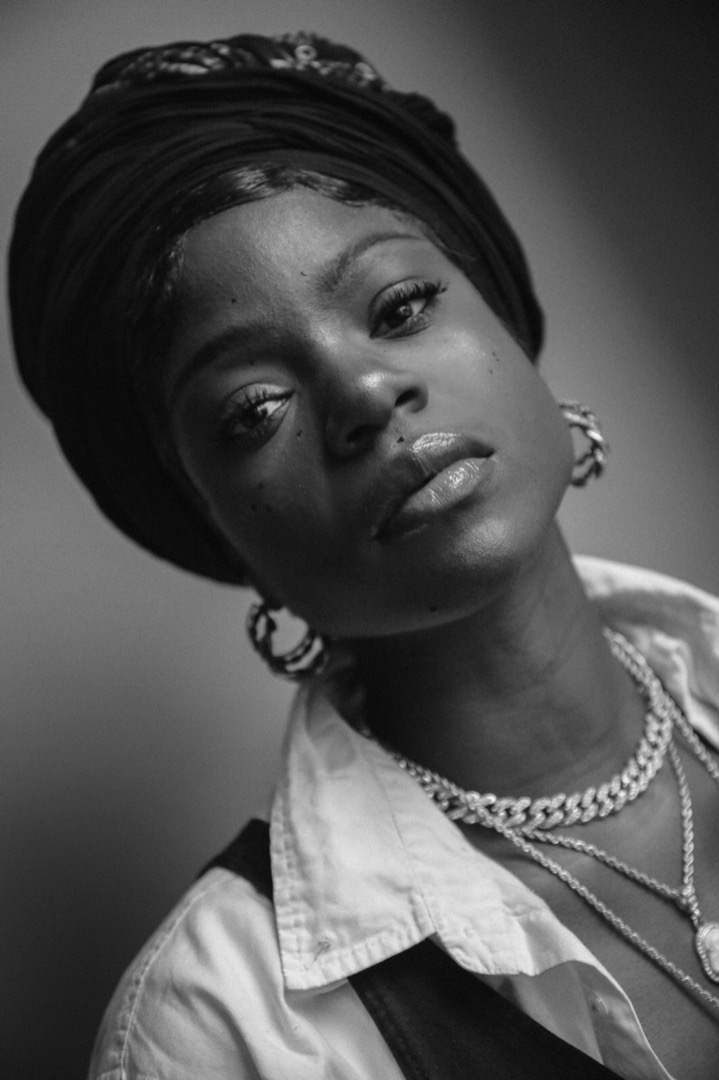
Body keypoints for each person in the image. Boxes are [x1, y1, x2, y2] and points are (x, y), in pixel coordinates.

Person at [9, 30, 719, 1080]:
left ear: (507, 323)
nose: (363, 394)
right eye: (254, 409)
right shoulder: (223, 1025)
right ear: (214, 528)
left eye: (400, 308)